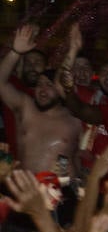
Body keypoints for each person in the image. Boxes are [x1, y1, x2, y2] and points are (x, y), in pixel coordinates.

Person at [0, 26, 86, 174]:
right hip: (26, 190)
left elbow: (75, 157)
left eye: (48, 85)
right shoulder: (26, 107)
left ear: (59, 89)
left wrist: (73, 50)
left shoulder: (75, 118)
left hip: (62, 192)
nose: (42, 88)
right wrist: (15, 52)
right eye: (39, 84)